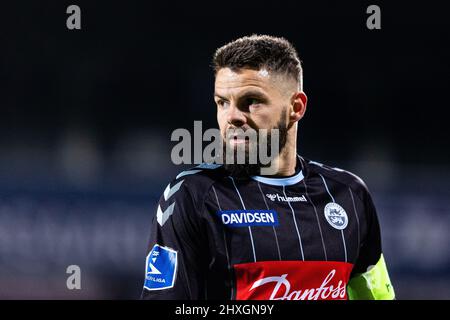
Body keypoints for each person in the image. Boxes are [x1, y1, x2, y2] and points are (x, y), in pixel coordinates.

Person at [140, 35, 395, 300]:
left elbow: (378, 296)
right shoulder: (193, 196)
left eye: (251, 101)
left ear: (296, 107)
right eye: (222, 102)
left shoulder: (349, 195)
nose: (232, 117)